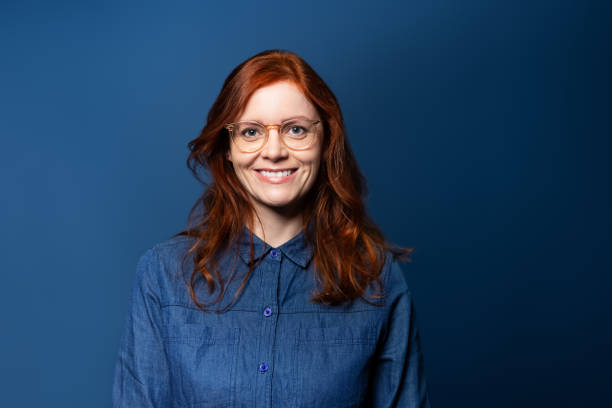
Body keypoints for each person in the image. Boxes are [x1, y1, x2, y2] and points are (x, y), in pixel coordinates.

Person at [112, 49, 431, 407]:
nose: (274, 150)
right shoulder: (162, 275)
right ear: (228, 148)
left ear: (325, 142)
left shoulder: (375, 278)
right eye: (251, 131)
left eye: (296, 129)